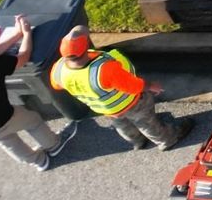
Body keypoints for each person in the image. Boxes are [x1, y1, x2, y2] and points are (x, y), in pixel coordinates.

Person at [50, 26, 191, 150]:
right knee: (145, 122)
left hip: (106, 109)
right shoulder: (104, 70)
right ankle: (167, 140)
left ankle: (137, 141)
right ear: (86, 47)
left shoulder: (58, 69)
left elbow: (57, 85)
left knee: (122, 125)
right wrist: (150, 86)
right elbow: (132, 86)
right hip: (131, 103)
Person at [0, 17, 73, 172]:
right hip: (0, 118)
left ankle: (39, 161)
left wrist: (17, 33)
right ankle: (54, 145)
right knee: (32, 120)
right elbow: (23, 57)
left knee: (7, 141)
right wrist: (26, 34)